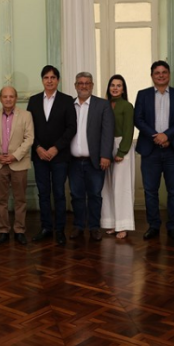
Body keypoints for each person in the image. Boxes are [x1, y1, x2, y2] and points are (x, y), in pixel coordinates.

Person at [134, 60, 174, 242]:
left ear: (169, 74)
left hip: (172, 150)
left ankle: (173, 227)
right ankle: (154, 226)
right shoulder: (142, 95)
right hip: (150, 150)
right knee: (151, 191)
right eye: (157, 72)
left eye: (164, 72)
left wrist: (166, 136)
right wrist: (156, 136)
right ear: (152, 76)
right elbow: (138, 119)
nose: (160, 75)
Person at [26, 65, 77, 245]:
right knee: (43, 193)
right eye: (46, 77)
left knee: (59, 193)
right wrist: (38, 147)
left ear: (58, 80)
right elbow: (28, 128)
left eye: (53, 77)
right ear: (42, 80)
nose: (49, 80)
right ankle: (46, 227)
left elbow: (72, 128)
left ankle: (60, 229)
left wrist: (56, 148)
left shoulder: (67, 100)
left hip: (60, 156)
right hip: (39, 155)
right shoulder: (33, 101)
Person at [68, 72, 114, 241]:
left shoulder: (102, 105)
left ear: (92, 85)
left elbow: (107, 133)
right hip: (72, 161)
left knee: (95, 195)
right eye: (80, 83)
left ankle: (94, 227)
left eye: (87, 83)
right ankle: (79, 226)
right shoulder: (69, 105)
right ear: (75, 85)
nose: (84, 86)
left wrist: (105, 155)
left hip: (95, 161)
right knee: (76, 195)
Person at [0, 86, 34, 245]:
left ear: (16, 98)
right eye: (5, 96)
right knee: (1, 200)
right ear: (0, 98)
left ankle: (19, 230)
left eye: (11, 96)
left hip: (18, 163)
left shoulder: (26, 115)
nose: (8, 99)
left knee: (20, 200)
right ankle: (3, 230)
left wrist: (15, 156)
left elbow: (29, 139)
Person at [101, 75, 136, 239]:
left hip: (123, 146)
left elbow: (129, 130)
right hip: (106, 147)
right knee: (107, 186)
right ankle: (111, 222)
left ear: (123, 89)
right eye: (112, 85)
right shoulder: (104, 105)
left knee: (121, 187)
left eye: (119, 85)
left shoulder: (127, 106)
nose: (115, 88)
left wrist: (122, 152)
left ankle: (123, 225)